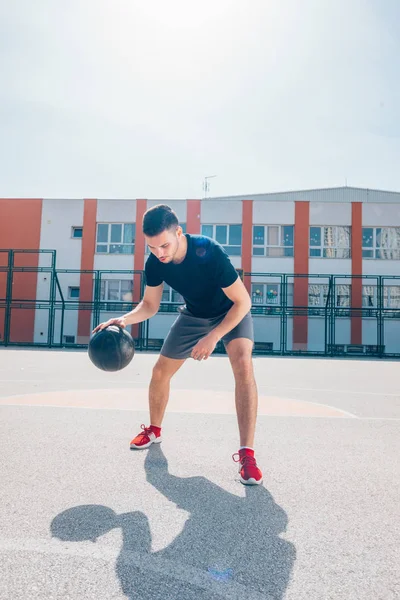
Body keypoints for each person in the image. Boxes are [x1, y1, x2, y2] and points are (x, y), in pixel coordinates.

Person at [93, 204, 263, 485]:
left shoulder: (208, 252)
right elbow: (150, 305)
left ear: (179, 233)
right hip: (195, 315)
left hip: (231, 311)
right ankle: (154, 430)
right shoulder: (155, 263)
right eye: (152, 247)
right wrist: (124, 319)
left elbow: (244, 301)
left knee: (243, 363)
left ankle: (247, 455)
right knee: (160, 372)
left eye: (164, 245)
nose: (159, 253)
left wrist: (214, 336)